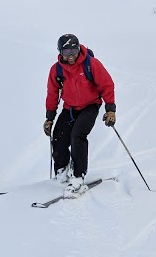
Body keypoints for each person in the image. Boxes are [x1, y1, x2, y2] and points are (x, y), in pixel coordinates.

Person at [43, 33, 116, 197]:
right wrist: (49, 118)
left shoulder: (91, 64)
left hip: (90, 106)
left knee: (78, 135)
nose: (70, 56)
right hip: (69, 108)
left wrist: (110, 109)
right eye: (66, 51)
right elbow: (52, 93)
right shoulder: (57, 70)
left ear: (79, 49)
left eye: (73, 51)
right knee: (58, 138)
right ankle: (62, 171)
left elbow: (106, 85)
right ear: (60, 52)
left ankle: (78, 176)